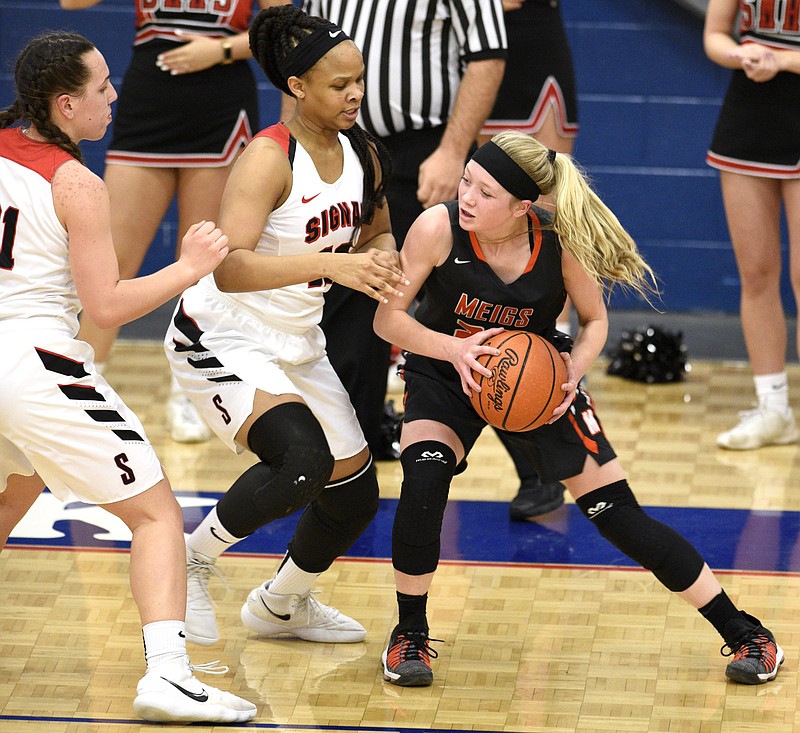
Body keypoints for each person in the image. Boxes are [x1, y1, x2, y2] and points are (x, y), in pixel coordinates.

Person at [373, 130, 784, 688]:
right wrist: (455, 349)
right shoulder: (437, 228)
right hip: (445, 371)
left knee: (618, 516)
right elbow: (388, 320)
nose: (466, 196)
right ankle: (410, 635)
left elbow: (594, 322)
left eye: (485, 192)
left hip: (538, 379)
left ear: (523, 207)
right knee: (423, 485)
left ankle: (746, 632)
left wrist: (572, 371)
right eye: (467, 180)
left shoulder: (560, 245)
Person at [0, 31, 256, 723]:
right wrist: (189, 266)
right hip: (34, 361)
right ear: (64, 104)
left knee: (10, 498)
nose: (114, 96)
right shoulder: (76, 183)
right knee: (155, 515)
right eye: (102, 87)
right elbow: (107, 305)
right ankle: (169, 675)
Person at [165, 5, 407, 647]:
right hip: (223, 332)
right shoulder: (268, 160)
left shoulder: (365, 155)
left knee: (355, 494)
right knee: (302, 461)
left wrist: (380, 256)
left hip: (297, 338)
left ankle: (281, 604)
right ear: (297, 86)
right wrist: (339, 265)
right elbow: (229, 269)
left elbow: (378, 227)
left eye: (360, 80)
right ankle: (189, 561)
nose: (355, 94)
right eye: (339, 84)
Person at [288, 0, 507, 460]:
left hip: (424, 149)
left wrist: (452, 150)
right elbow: (302, 59)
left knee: (454, 301)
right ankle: (350, 442)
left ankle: (528, 464)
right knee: (349, 302)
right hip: (343, 144)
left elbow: (488, 56)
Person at [59, 0, 270, 444]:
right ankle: (79, 387)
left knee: (200, 264)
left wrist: (222, 50)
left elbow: (282, 29)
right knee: (109, 261)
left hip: (220, 104)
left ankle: (190, 392)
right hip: (148, 101)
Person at [478, 0, 579, 520]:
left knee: (541, 232)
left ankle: (550, 384)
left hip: (527, 51)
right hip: (456, 65)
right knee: (465, 245)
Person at [704, 0, 800, 451]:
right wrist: (740, 55)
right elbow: (715, 35)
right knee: (756, 273)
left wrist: (779, 59)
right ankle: (774, 408)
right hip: (750, 114)